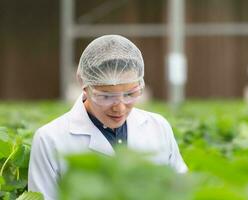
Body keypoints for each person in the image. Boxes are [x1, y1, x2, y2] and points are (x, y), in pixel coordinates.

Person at [28, 35, 188, 200]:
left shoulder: (158, 127)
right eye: (106, 96)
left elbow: (181, 189)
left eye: (130, 94)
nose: (119, 107)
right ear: (85, 88)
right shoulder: (49, 139)